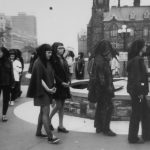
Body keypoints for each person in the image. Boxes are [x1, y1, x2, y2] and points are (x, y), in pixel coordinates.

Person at [27, 44, 60, 144]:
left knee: (42, 112)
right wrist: (49, 90)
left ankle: (38, 132)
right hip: (41, 91)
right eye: (48, 52)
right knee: (45, 112)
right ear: (43, 52)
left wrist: (52, 87)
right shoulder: (38, 62)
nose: (50, 54)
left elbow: (50, 75)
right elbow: (39, 79)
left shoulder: (46, 62)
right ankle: (50, 137)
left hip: (46, 90)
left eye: (51, 52)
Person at [88, 40, 117, 136]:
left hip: (100, 88)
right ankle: (106, 129)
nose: (109, 51)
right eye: (108, 48)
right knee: (108, 107)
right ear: (104, 48)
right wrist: (108, 87)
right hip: (103, 89)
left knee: (101, 107)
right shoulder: (100, 59)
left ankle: (99, 126)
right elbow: (101, 77)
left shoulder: (98, 57)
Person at [127, 39, 150, 143]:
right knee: (137, 114)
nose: (146, 46)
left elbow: (140, 76)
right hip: (138, 93)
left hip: (136, 92)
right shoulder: (137, 60)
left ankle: (146, 135)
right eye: (144, 45)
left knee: (145, 113)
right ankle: (133, 138)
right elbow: (137, 78)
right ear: (140, 47)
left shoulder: (135, 59)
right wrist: (141, 93)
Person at [49, 42, 71, 133]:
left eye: (62, 48)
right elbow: (53, 74)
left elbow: (67, 71)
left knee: (62, 106)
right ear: (55, 49)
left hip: (65, 85)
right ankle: (48, 120)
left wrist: (69, 80)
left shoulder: (63, 59)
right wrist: (61, 82)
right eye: (59, 48)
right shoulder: (52, 59)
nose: (61, 49)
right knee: (58, 105)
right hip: (58, 85)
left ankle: (61, 126)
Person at [0, 47, 14, 121]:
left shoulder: (9, 61)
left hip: (7, 83)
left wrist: (12, 82)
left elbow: (11, 73)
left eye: (0, 52)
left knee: (6, 99)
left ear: (4, 53)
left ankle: (4, 115)